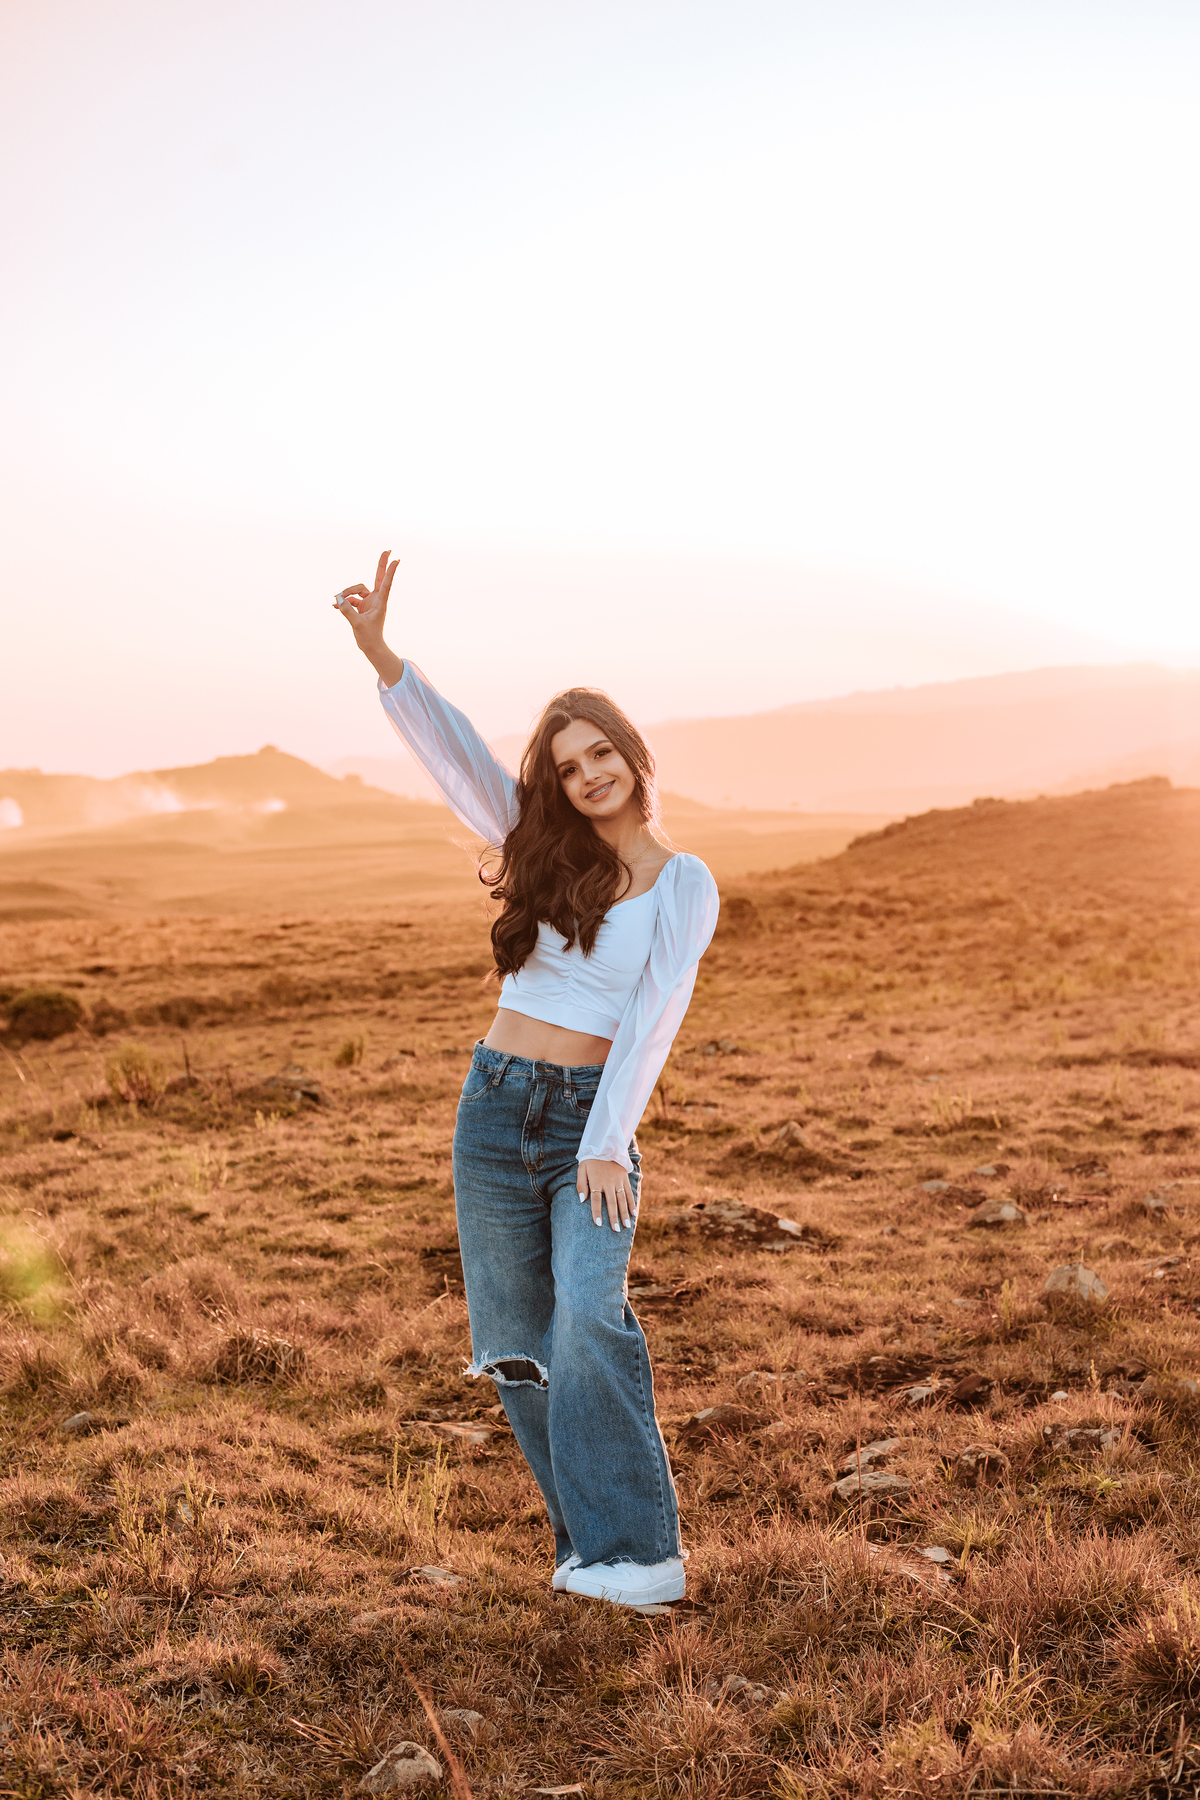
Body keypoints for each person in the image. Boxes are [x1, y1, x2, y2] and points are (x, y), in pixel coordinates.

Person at [334, 552, 719, 1609]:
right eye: (568, 764)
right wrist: (385, 660)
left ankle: (644, 1552)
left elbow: (655, 1020)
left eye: (602, 752)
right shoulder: (543, 849)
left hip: (587, 1127)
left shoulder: (682, 883)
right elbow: (459, 759)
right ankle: (588, 1548)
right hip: (495, 1108)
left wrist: (605, 1140)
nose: (589, 773)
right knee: (514, 1347)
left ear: (635, 757)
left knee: (589, 1317)